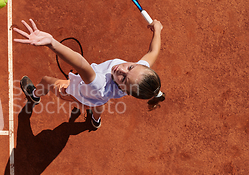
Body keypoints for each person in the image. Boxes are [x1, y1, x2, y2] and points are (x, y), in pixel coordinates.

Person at [13, 18, 165, 129]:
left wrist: (52, 43)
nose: (122, 69)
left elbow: (80, 63)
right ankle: (95, 120)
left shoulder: (100, 84)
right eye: (130, 67)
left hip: (75, 93)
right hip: (98, 100)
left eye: (123, 78)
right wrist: (157, 30)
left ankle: (34, 95)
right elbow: (153, 51)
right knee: (99, 105)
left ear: (125, 90)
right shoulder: (138, 76)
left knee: (46, 80)